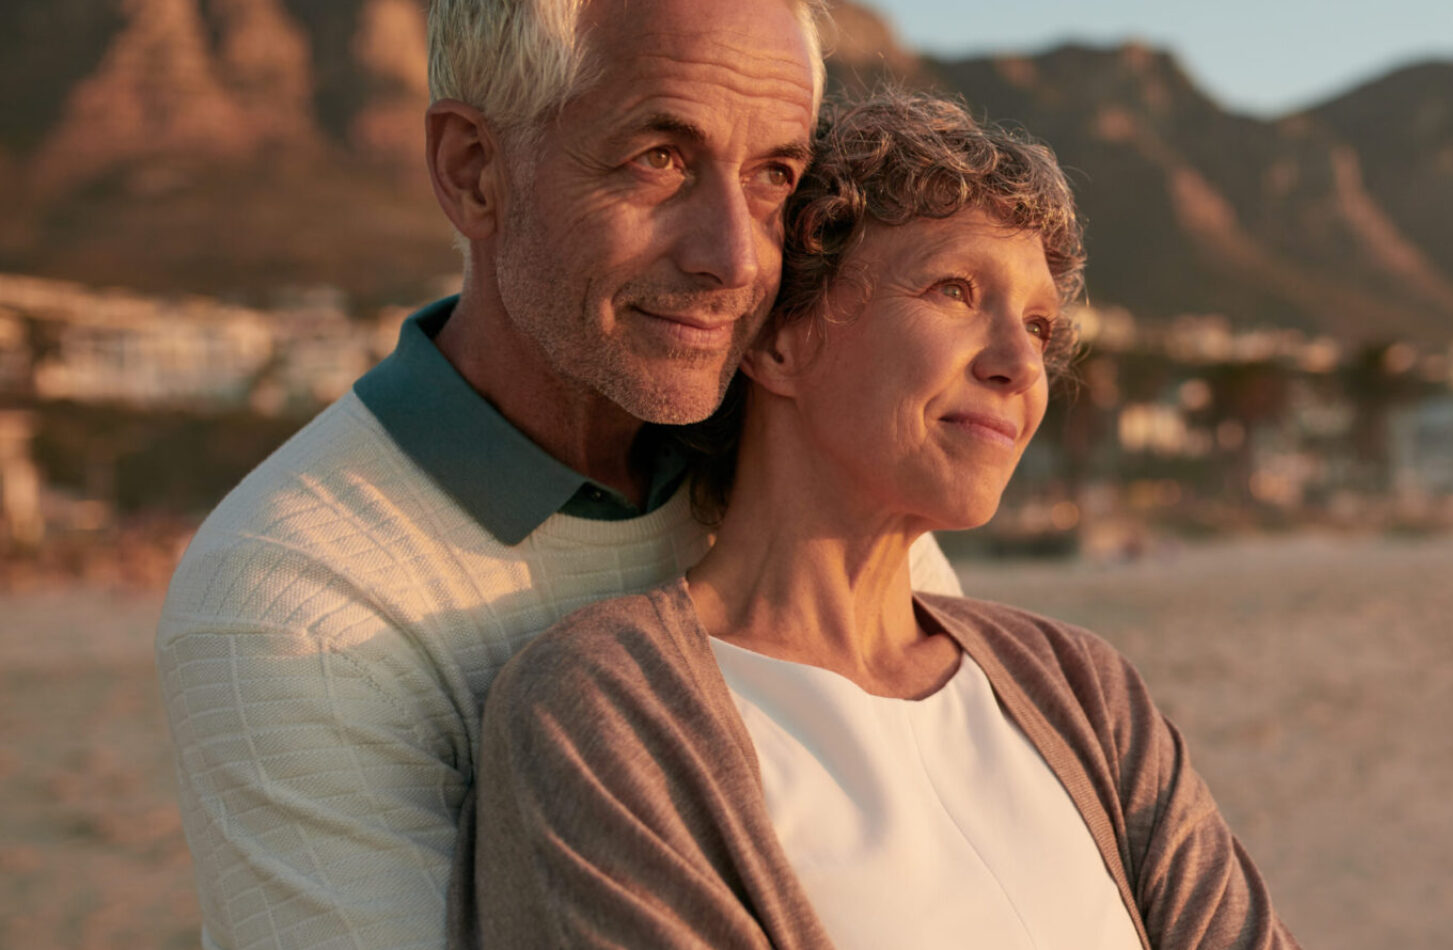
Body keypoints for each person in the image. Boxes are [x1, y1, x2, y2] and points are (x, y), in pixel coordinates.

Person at [155, 1, 960, 946]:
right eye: (658, 158)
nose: (733, 258)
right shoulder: (296, 598)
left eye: (773, 175)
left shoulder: (804, 469)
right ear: (474, 171)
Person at [458, 92, 1299, 949]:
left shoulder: (1083, 689)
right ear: (777, 339)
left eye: (1040, 326)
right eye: (956, 290)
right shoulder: (605, 710)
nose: (1020, 364)